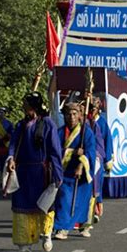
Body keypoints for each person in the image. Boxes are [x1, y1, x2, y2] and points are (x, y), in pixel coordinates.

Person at [6, 91, 63, 252]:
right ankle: (24, 243)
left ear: (35, 108)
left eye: (28, 108)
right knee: (22, 207)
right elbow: (13, 144)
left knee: (44, 205)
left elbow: (55, 151)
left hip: (41, 172)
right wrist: (11, 159)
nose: (26, 111)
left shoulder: (47, 124)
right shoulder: (21, 125)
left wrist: (58, 175)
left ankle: (46, 234)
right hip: (23, 172)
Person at [54, 103, 96, 240]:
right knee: (64, 200)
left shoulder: (86, 132)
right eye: (68, 114)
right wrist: (72, 152)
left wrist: (81, 163)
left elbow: (91, 152)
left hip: (81, 173)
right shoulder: (60, 132)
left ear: (79, 115)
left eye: (74, 114)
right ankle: (62, 228)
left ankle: (83, 225)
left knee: (81, 201)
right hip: (65, 173)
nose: (71, 117)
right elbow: (55, 151)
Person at [89, 95, 113, 223]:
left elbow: (108, 141)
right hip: (86, 158)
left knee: (96, 184)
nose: (91, 110)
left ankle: (96, 210)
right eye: (90, 108)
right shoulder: (85, 122)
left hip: (98, 159)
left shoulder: (102, 124)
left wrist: (108, 159)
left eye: (94, 108)